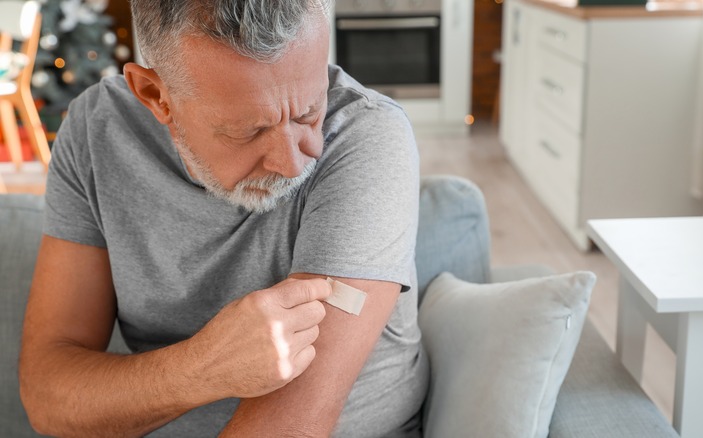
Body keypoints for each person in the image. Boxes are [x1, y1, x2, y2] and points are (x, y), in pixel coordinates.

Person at [18, 0, 428, 436]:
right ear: (157, 97)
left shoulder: (369, 137)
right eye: (247, 131)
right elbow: (48, 399)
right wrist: (204, 368)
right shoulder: (95, 131)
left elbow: (289, 427)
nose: (292, 164)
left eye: (309, 112)